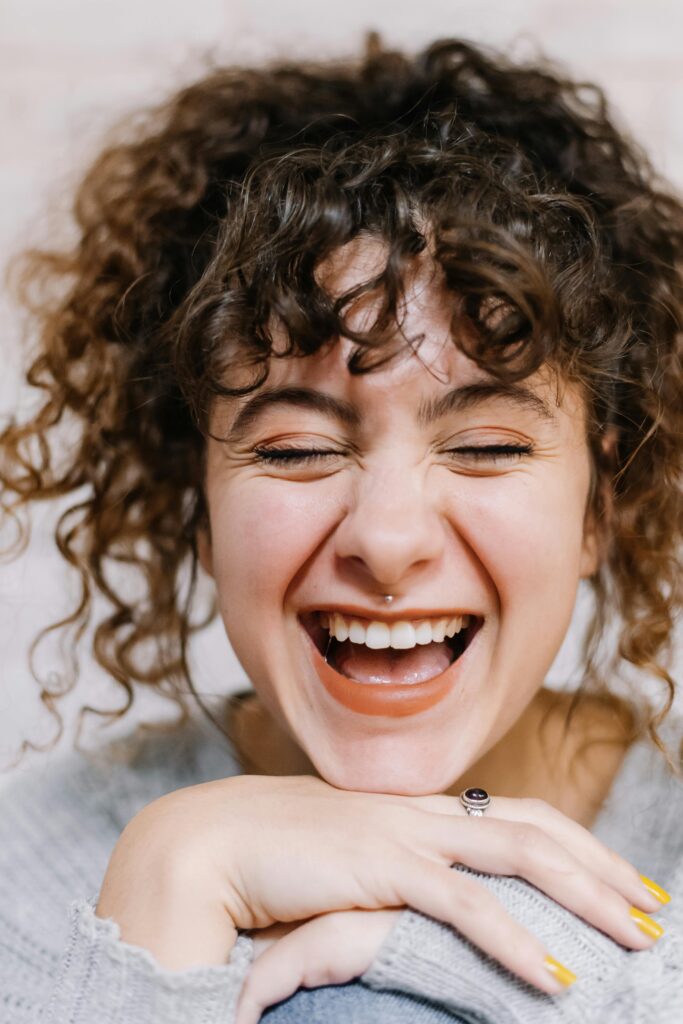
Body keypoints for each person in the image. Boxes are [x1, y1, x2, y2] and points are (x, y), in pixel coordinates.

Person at [0, 31, 681, 1024]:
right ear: (195, 503)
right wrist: (172, 877)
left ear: (598, 508)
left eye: (486, 445)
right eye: (291, 451)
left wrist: (498, 958)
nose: (389, 538)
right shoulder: (27, 881)